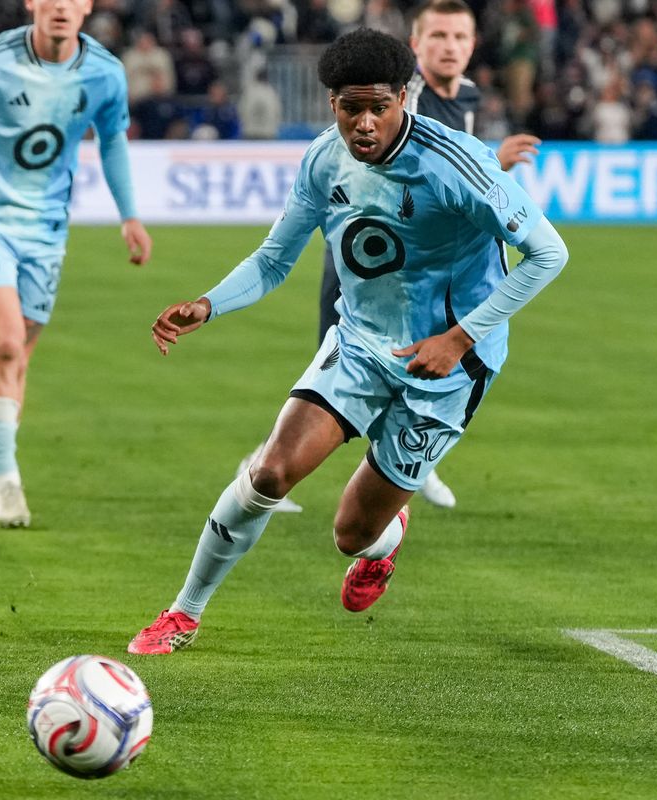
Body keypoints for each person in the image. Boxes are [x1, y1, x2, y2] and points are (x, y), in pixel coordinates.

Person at [128, 27, 568, 655]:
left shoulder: (457, 162)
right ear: (331, 102)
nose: (363, 123)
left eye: (378, 107)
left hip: (450, 368)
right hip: (360, 343)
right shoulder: (322, 159)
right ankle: (183, 614)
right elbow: (273, 259)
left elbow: (548, 253)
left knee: (351, 534)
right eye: (349, 108)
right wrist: (208, 304)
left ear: (403, 99)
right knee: (269, 473)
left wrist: (460, 338)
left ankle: (384, 540)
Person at [248, 0, 544, 511]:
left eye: (460, 38)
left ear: (474, 45)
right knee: (338, 381)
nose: (450, 47)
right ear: (416, 45)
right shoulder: (401, 97)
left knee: (399, 378)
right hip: (372, 263)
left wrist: (489, 170)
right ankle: (267, 467)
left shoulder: (467, 97)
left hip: (424, 266)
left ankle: (405, 470)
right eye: (438, 37)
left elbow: (447, 177)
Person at [0, 0, 153, 528]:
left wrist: (129, 215)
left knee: (16, 359)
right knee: (3, 344)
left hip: (47, 233)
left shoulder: (104, 73)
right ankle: (8, 481)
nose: (61, 6)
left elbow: (112, 139)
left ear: (87, 7)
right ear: (32, 3)